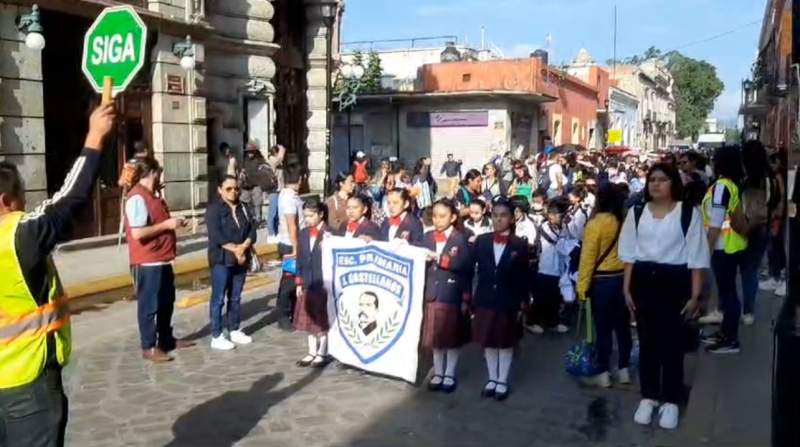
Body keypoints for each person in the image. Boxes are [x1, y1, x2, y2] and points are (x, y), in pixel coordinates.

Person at [0, 103, 114, 447]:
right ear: (8, 200)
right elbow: (69, 199)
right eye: (22, 197)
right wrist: (95, 135)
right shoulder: (17, 237)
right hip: (26, 381)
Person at [619, 162, 709, 430]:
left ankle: (670, 399)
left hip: (675, 282)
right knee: (647, 343)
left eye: (662, 179)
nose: (656, 184)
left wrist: (695, 296)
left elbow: (696, 256)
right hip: (643, 281)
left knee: (672, 343)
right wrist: (626, 289)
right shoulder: (637, 213)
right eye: (652, 180)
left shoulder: (687, 214)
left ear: (673, 183)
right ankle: (649, 396)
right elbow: (629, 255)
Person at [125, 156, 194, 363]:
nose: (160, 179)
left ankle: (165, 339)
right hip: (147, 261)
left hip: (162, 259)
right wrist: (167, 225)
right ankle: (149, 346)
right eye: (159, 174)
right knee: (149, 305)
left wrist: (174, 223)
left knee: (166, 302)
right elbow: (138, 233)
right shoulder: (137, 198)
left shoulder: (153, 196)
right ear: (153, 173)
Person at [473, 197, 530, 401]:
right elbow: (473, 269)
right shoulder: (482, 241)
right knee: (489, 340)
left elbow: (524, 275)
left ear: (512, 219)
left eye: (503, 215)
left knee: (505, 341)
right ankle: (491, 378)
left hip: (508, 299)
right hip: (486, 297)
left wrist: (524, 301)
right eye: (495, 215)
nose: (498, 219)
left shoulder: (519, 244)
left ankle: (502, 380)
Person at [576, 184, 631, 388]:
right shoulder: (624, 221)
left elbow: (588, 258)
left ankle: (603, 372)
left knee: (603, 329)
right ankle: (624, 369)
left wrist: (582, 287)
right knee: (623, 327)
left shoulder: (595, 224)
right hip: (624, 279)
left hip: (601, 282)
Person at [421, 199, 473, 393]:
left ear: (452, 217)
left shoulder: (461, 238)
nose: (437, 220)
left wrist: (438, 258)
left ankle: (450, 372)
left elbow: (464, 266)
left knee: (451, 337)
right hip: (432, 293)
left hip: (452, 293)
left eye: (442, 216)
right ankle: (438, 371)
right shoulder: (427, 236)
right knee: (436, 337)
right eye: (434, 216)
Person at [700, 146, 747, 354]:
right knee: (728, 293)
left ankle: (730, 340)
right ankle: (726, 334)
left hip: (722, 248)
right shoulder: (731, 185)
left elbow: (716, 223)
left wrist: (705, 252)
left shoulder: (720, 187)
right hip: (731, 247)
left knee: (727, 294)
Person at [205, 175, 256, 351]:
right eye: (228, 189)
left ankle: (234, 328)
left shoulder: (244, 207)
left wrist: (244, 246)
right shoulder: (214, 210)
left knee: (235, 296)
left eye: (236, 188)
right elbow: (216, 236)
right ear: (220, 190)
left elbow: (252, 230)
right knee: (218, 298)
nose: (233, 192)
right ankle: (216, 334)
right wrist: (236, 250)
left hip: (241, 258)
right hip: (222, 258)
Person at [738, 140, 773, 325]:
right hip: (763, 229)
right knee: (750, 270)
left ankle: (744, 309)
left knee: (745, 270)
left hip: (747, 227)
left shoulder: (748, 179)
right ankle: (748, 310)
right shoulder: (770, 176)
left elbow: (752, 209)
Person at [294, 199, 332, 368]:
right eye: (305, 216)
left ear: (321, 214)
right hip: (308, 282)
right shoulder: (302, 233)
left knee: (321, 319)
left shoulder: (330, 234)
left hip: (323, 282)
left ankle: (322, 351)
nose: (307, 219)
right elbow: (300, 259)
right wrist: (298, 282)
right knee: (309, 319)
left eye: (311, 215)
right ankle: (311, 351)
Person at [528, 199, 569, 334]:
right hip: (544, 268)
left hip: (557, 269)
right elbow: (556, 240)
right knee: (540, 298)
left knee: (554, 298)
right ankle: (531, 322)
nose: (562, 218)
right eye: (560, 215)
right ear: (551, 215)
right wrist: (565, 227)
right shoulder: (545, 227)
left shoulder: (561, 227)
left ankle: (552, 322)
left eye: (563, 215)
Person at [274, 163, 306, 331]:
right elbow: (291, 224)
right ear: (300, 179)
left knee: (294, 280)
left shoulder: (291, 195)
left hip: (292, 242)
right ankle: (283, 315)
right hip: (289, 244)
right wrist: (295, 248)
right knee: (289, 282)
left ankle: (293, 312)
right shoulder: (288, 197)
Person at [760, 150, 787, 296]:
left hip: (776, 217)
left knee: (775, 246)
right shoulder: (775, 177)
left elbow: (781, 197)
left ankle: (779, 276)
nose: (772, 165)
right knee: (773, 246)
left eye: (774, 162)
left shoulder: (778, 177)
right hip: (774, 216)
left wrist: (778, 214)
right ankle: (775, 275)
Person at [265, 144, 287, 236]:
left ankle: (276, 232)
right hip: (273, 190)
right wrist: (282, 149)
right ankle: (271, 233)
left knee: (278, 212)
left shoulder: (277, 161)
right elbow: (280, 158)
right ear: (276, 153)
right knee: (273, 212)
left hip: (279, 190)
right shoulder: (271, 160)